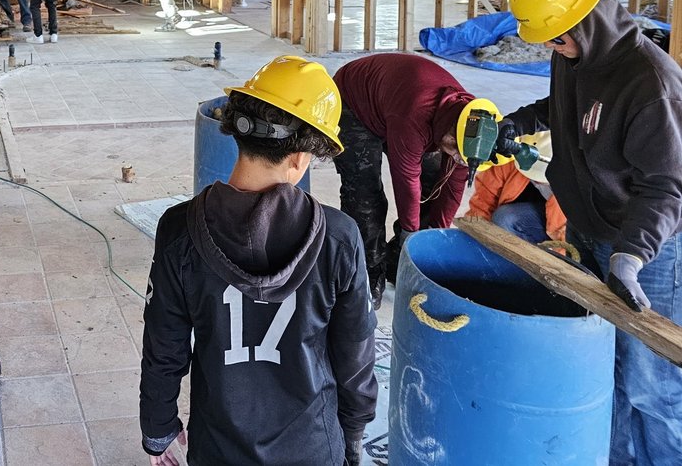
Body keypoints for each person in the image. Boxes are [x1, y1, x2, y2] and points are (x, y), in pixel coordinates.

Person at [140, 56, 377, 466]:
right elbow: (355, 352)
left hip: (219, 448)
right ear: (301, 156)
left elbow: (164, 345)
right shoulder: (340, 237)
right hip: (313, 447)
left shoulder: (179, 230)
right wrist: (353, 433)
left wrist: (158, 430)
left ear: (236, 133)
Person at [503, 0, 682, 464]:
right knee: (606, 368)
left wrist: (631, 255)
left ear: (585, 21)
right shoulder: (575, 54)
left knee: (653, 383)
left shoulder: (652, 86)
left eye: (556, 39)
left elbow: (668, 186)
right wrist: (521, 120)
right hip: (591, 224)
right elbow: (565, 107)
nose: (552, 49)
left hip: (649, 245)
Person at [332, 53, 498, 307]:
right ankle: (367, 274)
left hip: (395, 102)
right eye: (454, 151)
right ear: (450, 137)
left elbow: (452, 186)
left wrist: (436, 235)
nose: (456, 158)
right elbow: (406, 179)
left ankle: (397, 262)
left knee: (433, 185)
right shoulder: (415, 115)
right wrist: (411, 234)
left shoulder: (472, 128)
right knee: (365, 197)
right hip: (353, 102)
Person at [466, 132, 569, 247]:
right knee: (504, 219)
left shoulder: (570, 185)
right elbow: (483, 200)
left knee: (504, 219)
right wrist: (475, 236)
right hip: (527, 215)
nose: (536, 181)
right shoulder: (509, 160)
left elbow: (567, 240)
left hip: (563, 229)